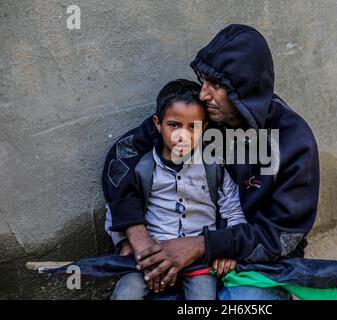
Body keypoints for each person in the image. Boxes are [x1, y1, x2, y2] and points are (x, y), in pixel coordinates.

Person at [102, 24, 320, 300]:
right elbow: (122, 155)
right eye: (204, 80)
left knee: (242, 302)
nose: (204, 94)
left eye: (216, 85)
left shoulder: (293, 141)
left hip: (254, 263)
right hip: (191, 256)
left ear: (245, 89)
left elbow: (285, 235)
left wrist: (208, 245)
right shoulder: (202, 120)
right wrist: (135, 233)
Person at [104, 79, 247, 300]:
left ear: (205, 128)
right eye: (174, 125)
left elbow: (233, 209)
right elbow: (116, 206)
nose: (183, 135)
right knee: (126, 294)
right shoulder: (142, 168)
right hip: (151, 256)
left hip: (199, 258)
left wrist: (226, 248)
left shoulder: (214, 167)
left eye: (194, 127)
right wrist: (125, 243)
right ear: (157, 124)